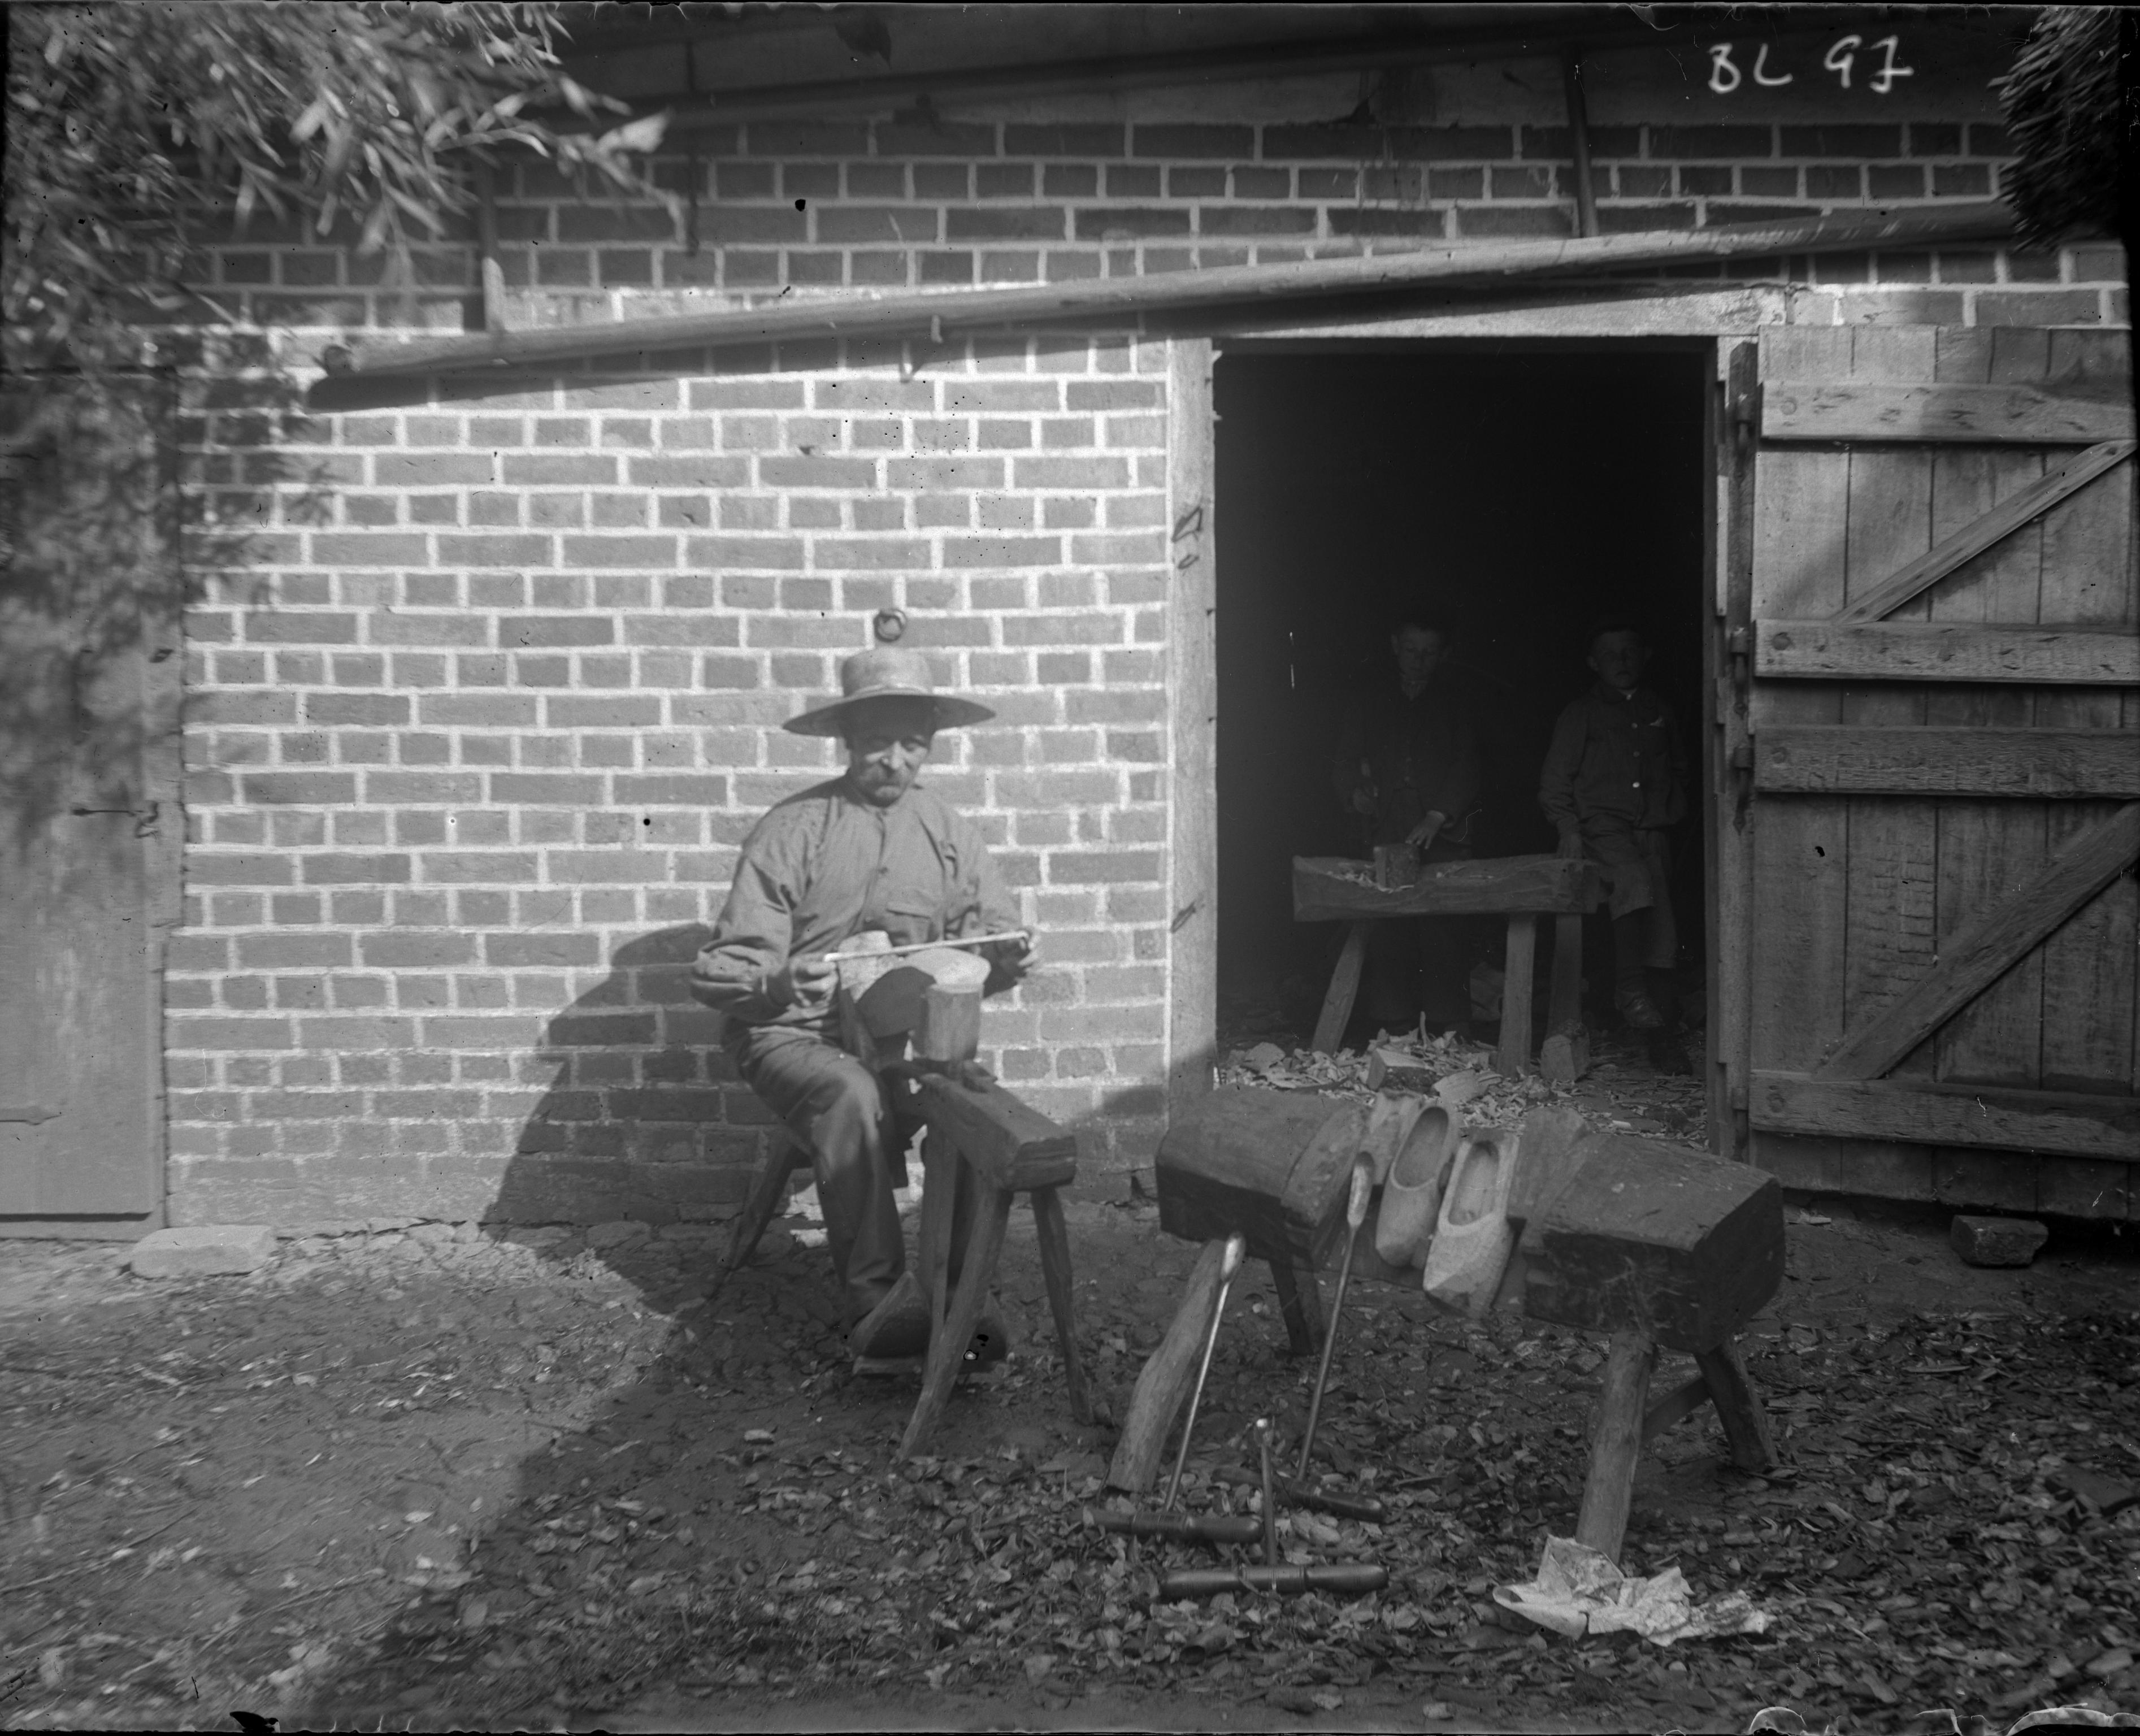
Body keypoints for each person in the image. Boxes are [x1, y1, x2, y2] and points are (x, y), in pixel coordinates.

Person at [689, 647, 1035, 1360]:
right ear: (847, 740)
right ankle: (881, 1308)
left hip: (900, 1041)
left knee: (975, 1103)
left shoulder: (948, 832)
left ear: (929, 745)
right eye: (878, 741)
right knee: (851, 1093)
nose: (894, 761)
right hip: (792, 1037)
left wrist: (1007, 958)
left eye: (912, 744)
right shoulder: (795, 828)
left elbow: (981, 947)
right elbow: (722, 970)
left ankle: (959, 1291)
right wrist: (780, 981)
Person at [1330, 613, 1484, 1036]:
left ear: (1444, 654)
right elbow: (1344, 761)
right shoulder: (1369, 699)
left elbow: (1468, 764)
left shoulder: (1456, 701)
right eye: (1411, 650)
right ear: (1395, 647)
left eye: (1429, 653)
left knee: (1444, 924)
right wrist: (1355, 794)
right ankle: (1393, 1022)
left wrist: (1438, 814)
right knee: (1389, 921)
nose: (1419, 660)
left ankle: (1448, 1023)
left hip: (1443, 831)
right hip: (1388, 826)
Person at [1538, 620, 1689, 1043]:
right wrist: (1568, 829)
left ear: (1646, 656)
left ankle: (1661, 1038)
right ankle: (1629, 989)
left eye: (1629, 652)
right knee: (1633, 879)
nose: (1621, 662)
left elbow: (1680, 769)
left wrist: (1669, 812)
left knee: (1661, 924)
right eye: (1609, 655)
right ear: (1593, 663)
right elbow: (1554, 782)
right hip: (1602, 829)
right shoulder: (1581, 713)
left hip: (1651, 830)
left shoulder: (1659, 710)